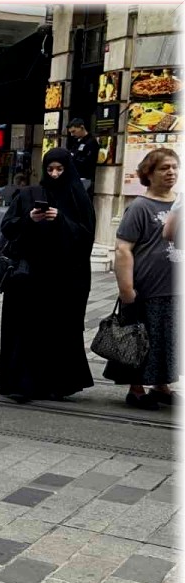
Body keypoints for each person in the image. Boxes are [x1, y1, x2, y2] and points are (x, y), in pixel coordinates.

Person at [0, 148, 96, 402]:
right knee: (24, 328)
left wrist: (61, 219)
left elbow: (86, 237)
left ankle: (55, 383)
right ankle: (20, 382)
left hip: (65, 278)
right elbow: (8, 227)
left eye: (59, 169)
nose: (54, 174)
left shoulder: (77, 197)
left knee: (58, 329)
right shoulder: (29, 194)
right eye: (50, 169)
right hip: (29, 275)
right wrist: (30, 219)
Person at [105, 148, 179, 410]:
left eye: (174, 167)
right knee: (141, 339)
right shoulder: (139, 206)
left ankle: (162, 386)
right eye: (163, 168)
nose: (171, 172)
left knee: (167, 339)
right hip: (146, 287)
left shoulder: (179, 203)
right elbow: (123, 248)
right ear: (148, 173)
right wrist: (126, 289)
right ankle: (136, 390)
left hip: (174, 286)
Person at [66, 118, 99, 191]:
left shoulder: (91, 142)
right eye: (70, 132)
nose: (72, 134)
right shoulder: (76, 141)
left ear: (82, 127)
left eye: (74, 131)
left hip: (84, 177)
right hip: (73, 176)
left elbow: (88, 162)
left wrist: (73, 158)